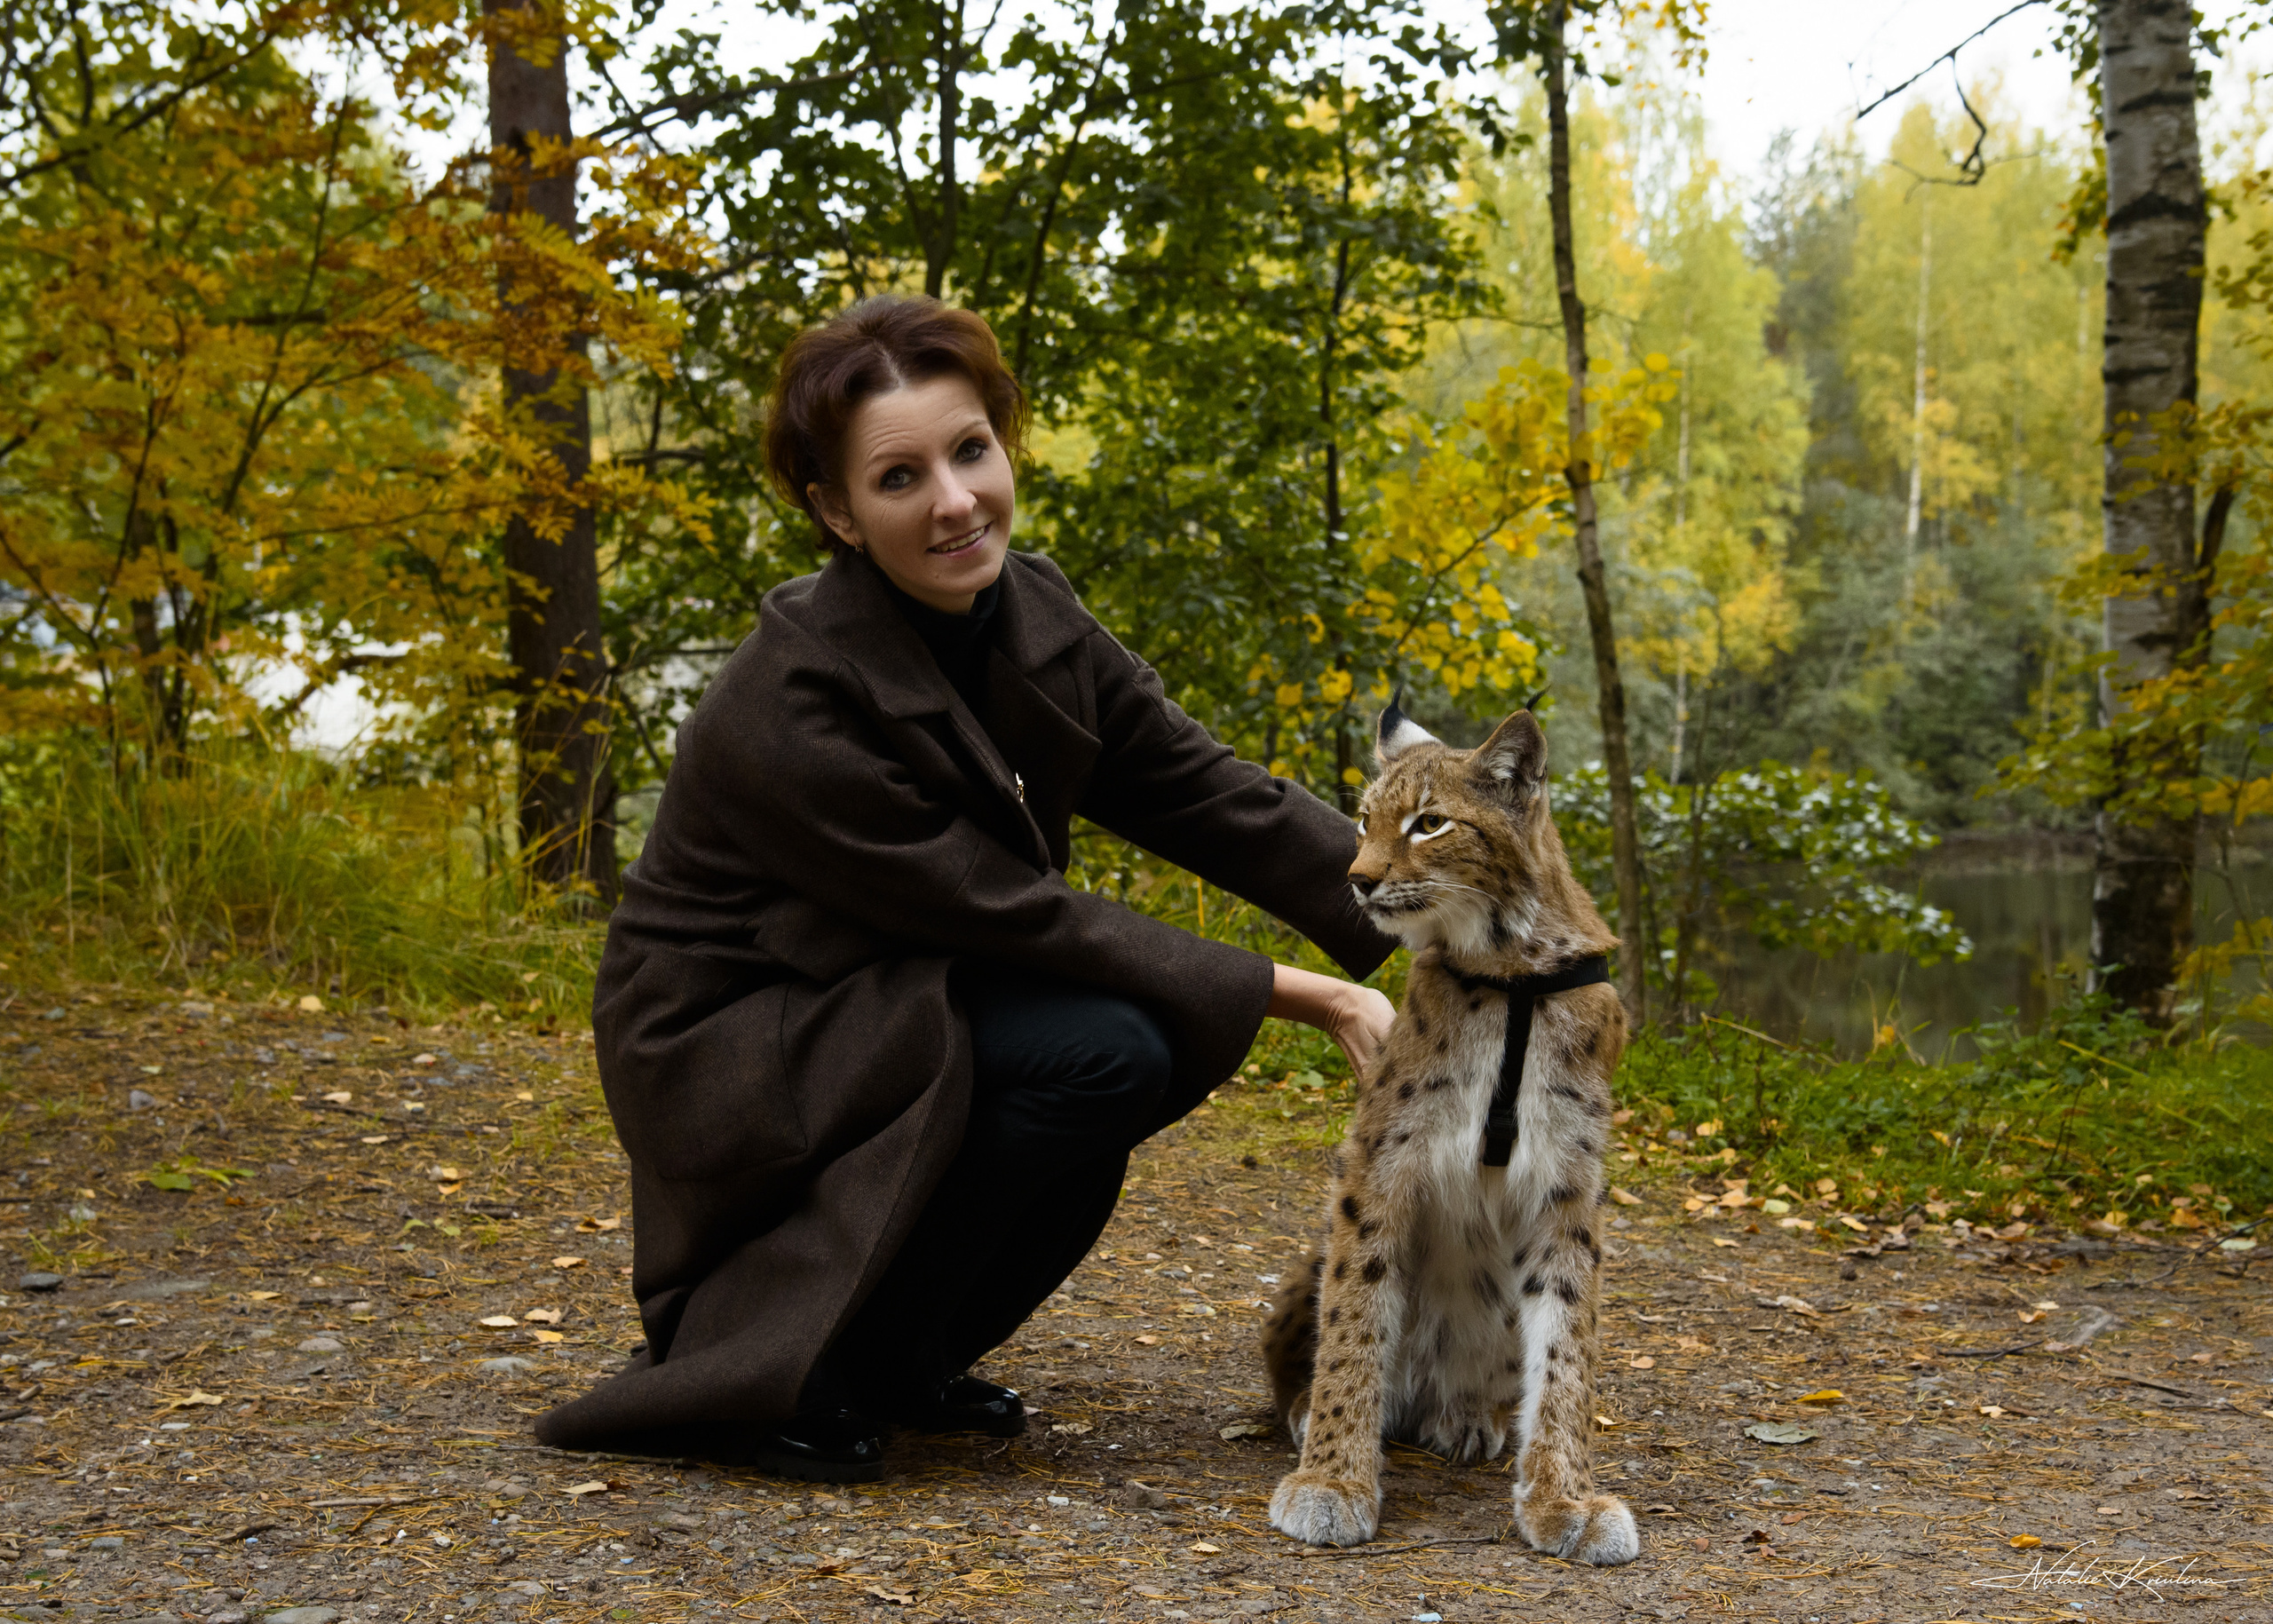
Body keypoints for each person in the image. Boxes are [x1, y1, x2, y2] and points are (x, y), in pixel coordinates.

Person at [536, 295, 1397, 1480]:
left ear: (1003, 445)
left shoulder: (1027, 606)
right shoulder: (791, 693)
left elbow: (1205, 792)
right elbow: (1003, 906)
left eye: (969, 451)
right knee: (1104, 1052)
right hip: (738, 1036)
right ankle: (782, 1371)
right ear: (836, 511)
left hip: (886, 986)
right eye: (899, 478)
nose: (953, 501)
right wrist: (1329, 1000)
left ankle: (898, 1356)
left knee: (1109, 1072)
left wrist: (1448, 928)